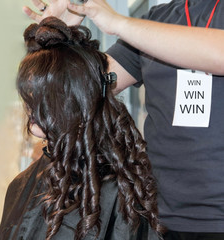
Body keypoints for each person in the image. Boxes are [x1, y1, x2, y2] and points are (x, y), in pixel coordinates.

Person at [22, 0, 224, 239]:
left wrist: (118, 23)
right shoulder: (156, 20)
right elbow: (85, 85)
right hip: (159, 217)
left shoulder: (140, 29)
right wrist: (62, 39)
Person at [0, 16, 165, 240]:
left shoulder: (117, 195)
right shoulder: (20, 185)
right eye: (27, 94)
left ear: (73, 101)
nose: (29, 104)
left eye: (40, 95)